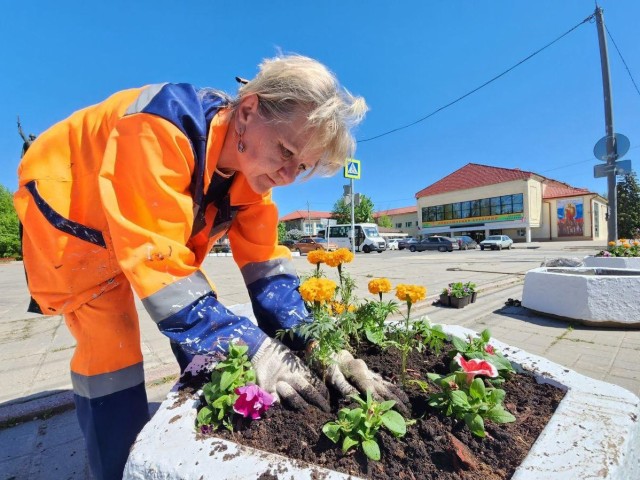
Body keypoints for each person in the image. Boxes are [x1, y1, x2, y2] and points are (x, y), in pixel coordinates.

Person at [14, 54, 405, 480]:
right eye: (286, 151)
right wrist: (257, 350)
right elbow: (161, 271)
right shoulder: (161, 126)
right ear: (249, 110)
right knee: (112, 346)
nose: (289, 176)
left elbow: (268, 272)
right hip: (75, 212)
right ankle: (120, 467)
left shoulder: (254, 181)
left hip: (143, 223)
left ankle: (199, 419)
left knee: (206, 322)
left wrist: (320, 347)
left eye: (303, 166)